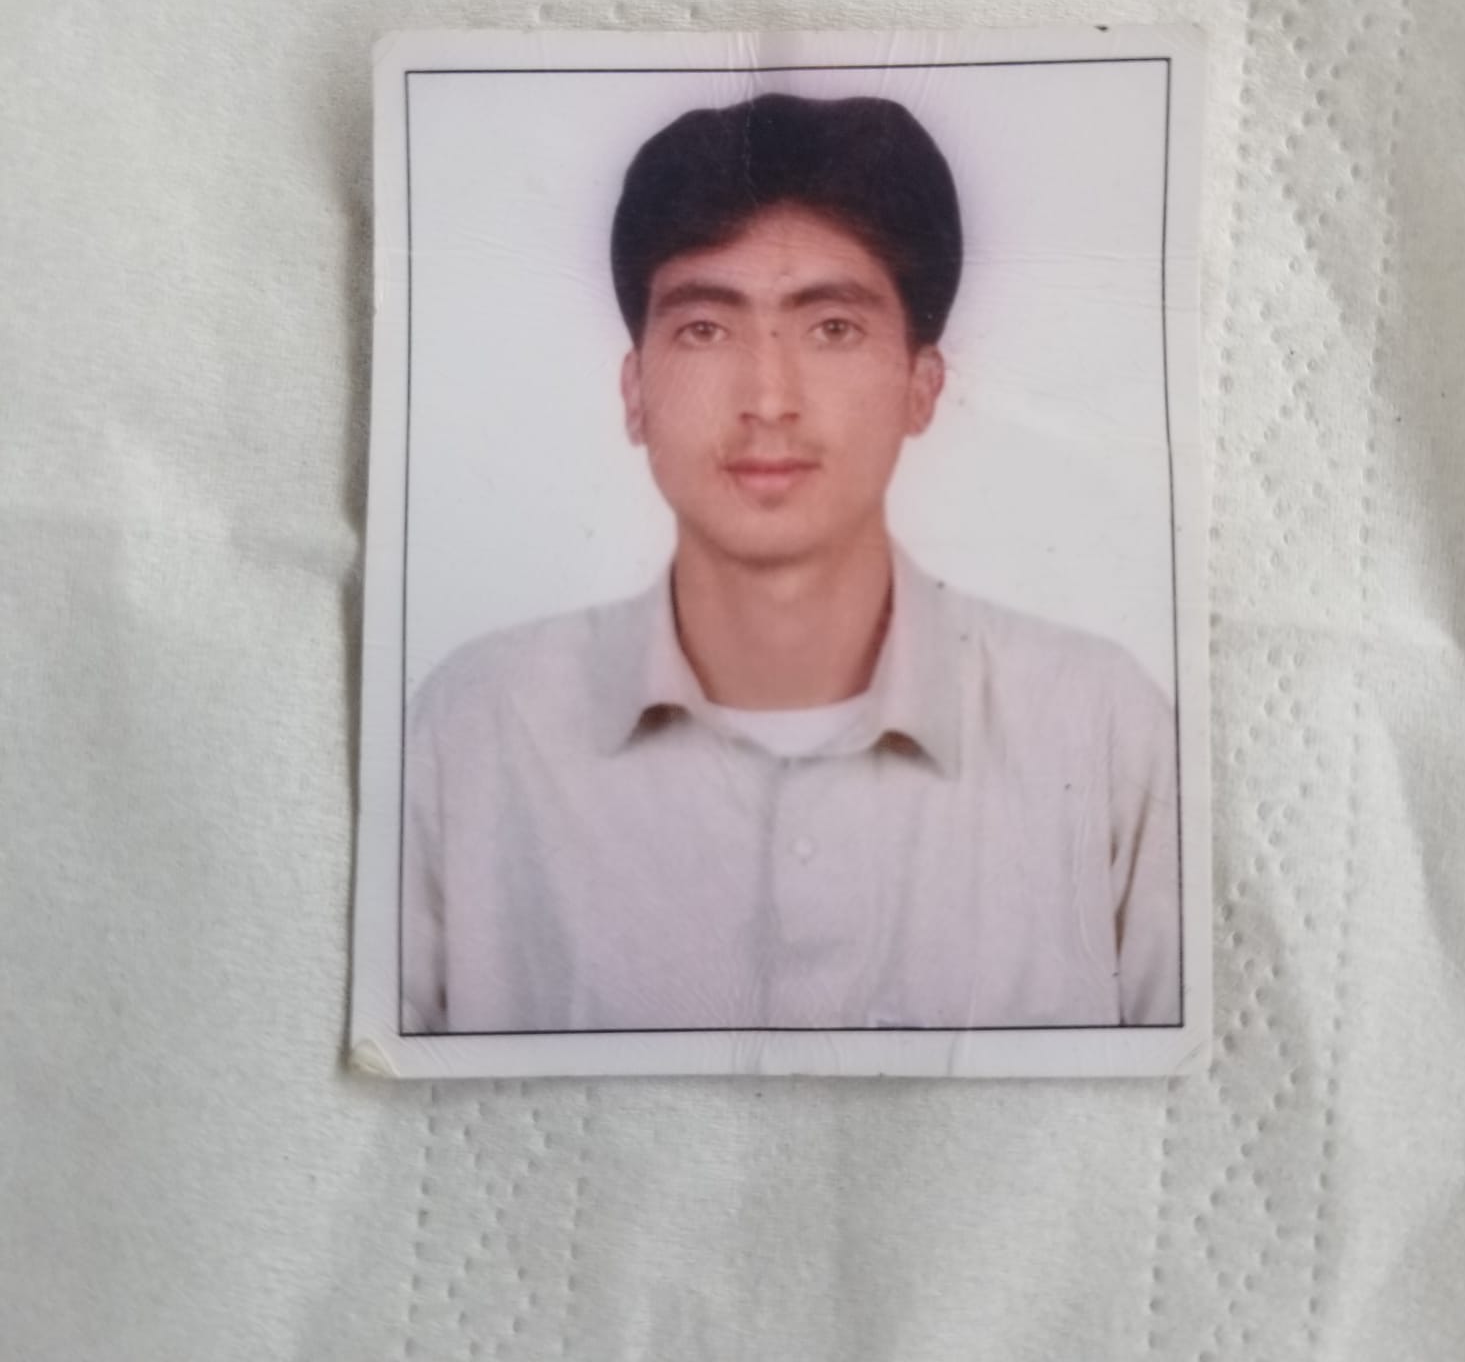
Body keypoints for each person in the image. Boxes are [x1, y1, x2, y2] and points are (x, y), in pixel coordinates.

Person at [402, 92, 1180, 1035]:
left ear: (923, 386)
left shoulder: (1101, 731)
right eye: (704, 328)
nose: (768, 399)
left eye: (833, 328)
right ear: (635, 391)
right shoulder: (473, 734)